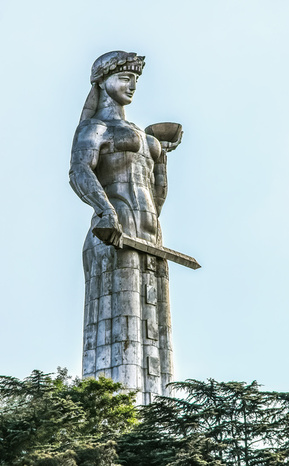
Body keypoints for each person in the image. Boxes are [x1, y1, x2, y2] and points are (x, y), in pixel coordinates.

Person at [69, 51, 182, 404]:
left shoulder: (146, 139)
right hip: (113, 232)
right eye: (123, 77)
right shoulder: (95, 128)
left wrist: (160, 156)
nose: (131, 85)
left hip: (150, 237)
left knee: (158, 335)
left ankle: (156, 426)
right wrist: (105, 211)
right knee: (122, 330)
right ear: (102, 82)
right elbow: (79, 172)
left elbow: (157, 193)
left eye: (135, 79)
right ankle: (113, 416)